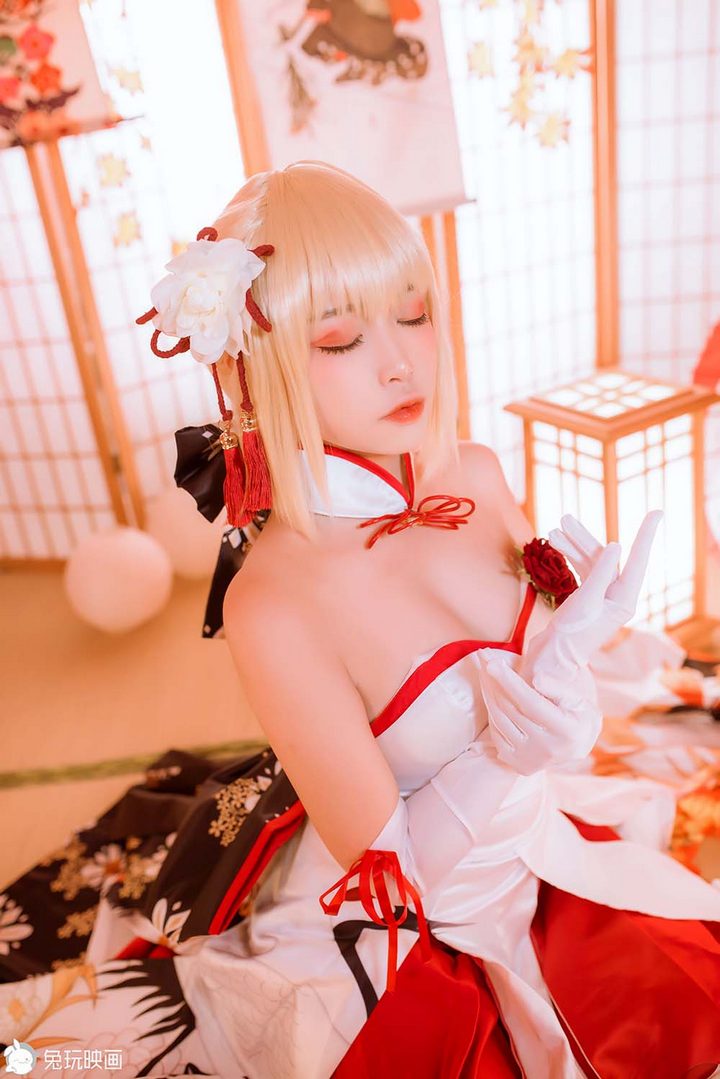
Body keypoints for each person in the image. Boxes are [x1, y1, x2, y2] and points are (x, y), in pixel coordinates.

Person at [1, 160, 720, 1079]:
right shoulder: (273, 601)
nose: (400, 361)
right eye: (340, 338)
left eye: (414, 314)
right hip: (428, 931)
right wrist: (510, 756)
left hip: (550, 852)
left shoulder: (476, 472)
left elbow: (557, 724)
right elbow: (407, 886)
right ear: (259, 367)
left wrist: (574, 685)